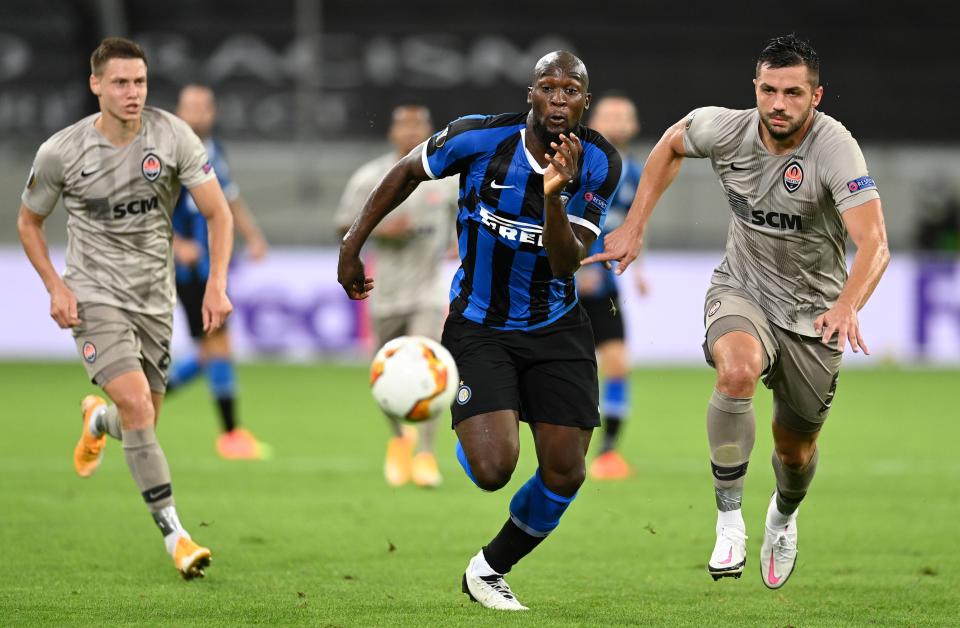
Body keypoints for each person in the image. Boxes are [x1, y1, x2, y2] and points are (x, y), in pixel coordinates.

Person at [583, 34, 890, 588]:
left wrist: (847, 305)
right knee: (738, 370)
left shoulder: (835, 149)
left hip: (814, 314)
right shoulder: (725, 127)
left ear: (816, 97)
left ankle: (782, 516)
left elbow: (875, 243)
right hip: (741, 288)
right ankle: (729, 522)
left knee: (794, 454)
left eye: (793, 93)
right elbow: (671, 144)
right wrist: (634, 224)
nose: (778, 104)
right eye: (768, 90)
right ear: (755, 88)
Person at [339, 51, 622, 610]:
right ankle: (473, 413)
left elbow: (567, 262)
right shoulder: (477, 139)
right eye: (549, 88)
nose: (559, 100)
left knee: (565, 472)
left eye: (571, 92)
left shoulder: (598, 162)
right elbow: (406, 171)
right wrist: (353, 243)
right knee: (494, 469)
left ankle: (488, 569)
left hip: (556, 327)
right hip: (479, 326)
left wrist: (553, 196)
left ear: (585, 102)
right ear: (530, 95)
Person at [16, 37, 234, 579]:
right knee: (140, 408)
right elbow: (29, 222)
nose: (132, 92)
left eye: (139, 81)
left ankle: (97, 421)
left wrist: (216, 284)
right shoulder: (61, 152)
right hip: (93, 295)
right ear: (95, 85)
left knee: (142, 420)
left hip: (153, 300)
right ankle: (177, 538)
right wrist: (56, 288)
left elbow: (219, 215)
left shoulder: (172, 136)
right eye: (119, 82)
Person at [335, 105, 458, 488]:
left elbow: (465, 212)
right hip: (383, 292)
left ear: (429, 130)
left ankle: (425, 453)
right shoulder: (371, 176)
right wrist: (385, 231)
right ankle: (399, 443)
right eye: (403, 125)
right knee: (381, 372)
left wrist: (457, 241)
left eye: (417, 125)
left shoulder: (445, 180)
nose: (409, 132)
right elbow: (344, 224)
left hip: (427, 291)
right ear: (391, 132)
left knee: (431, 365)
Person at [165, 84, 271, 460]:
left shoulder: (214, 151)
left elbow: (229, 199)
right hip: (190, 270)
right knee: (217, 347)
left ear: (213, 113)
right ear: (178, 111)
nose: (196, 114)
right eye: (189, 107)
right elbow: (150, 208)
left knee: (214, 350)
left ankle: (149, 395)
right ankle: (229, 435)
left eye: (203, 107)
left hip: (213, 267)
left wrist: (253, 236)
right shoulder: (169, 154)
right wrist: (179, 245)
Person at [578, 94, 648, 480]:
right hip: (562, 286)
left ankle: (607, 453)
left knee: (618, 364)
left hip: (605, 287)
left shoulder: (635, 174)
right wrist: (573, 270)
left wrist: (640, 269)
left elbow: (632, 225)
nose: (619, 121)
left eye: (626, 115)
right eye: (611, 115)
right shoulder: (579, 163)